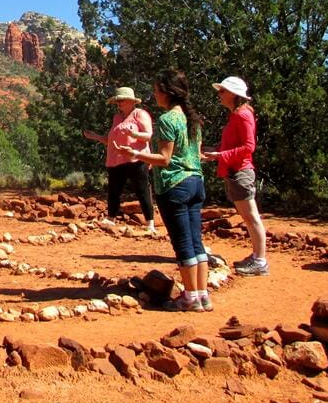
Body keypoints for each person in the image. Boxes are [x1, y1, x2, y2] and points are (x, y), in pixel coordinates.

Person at [117, 69, 209, 311]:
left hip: (174, 185)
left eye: (156, 90)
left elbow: (165, 158)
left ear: (167, 93)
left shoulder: (168, 120)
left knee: (183, 244)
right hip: (196, 182)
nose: (154, 95)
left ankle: (190, 298)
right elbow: (196, 154)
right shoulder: (192, 119)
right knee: (196, 242)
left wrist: (136, 154)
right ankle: (202, 294)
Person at [204, 76, 267, 276]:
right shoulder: (236, 114)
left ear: (233, 94)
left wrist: (221, 155)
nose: (219, 95)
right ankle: (257, 256)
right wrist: (214, 153)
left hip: (241, 171)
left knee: (251, 217)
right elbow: (233, 145)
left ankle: (260, 260)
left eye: (222, 91)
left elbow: (249, 147)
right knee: (248, 217)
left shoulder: (243, 115)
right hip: (234, 171)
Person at [82, 86, 155, 232]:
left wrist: (134, 135)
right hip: (116, 160)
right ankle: (111, 219)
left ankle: (150, 224)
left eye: (121, 100)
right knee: (114, 190)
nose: (118, 103)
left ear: (131, 101)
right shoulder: (117, 117)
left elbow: (148, 135)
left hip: (136, 159)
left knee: (142, 190)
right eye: (117, 101)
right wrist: (95, 137)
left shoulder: (139, 114)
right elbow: (111, 140)